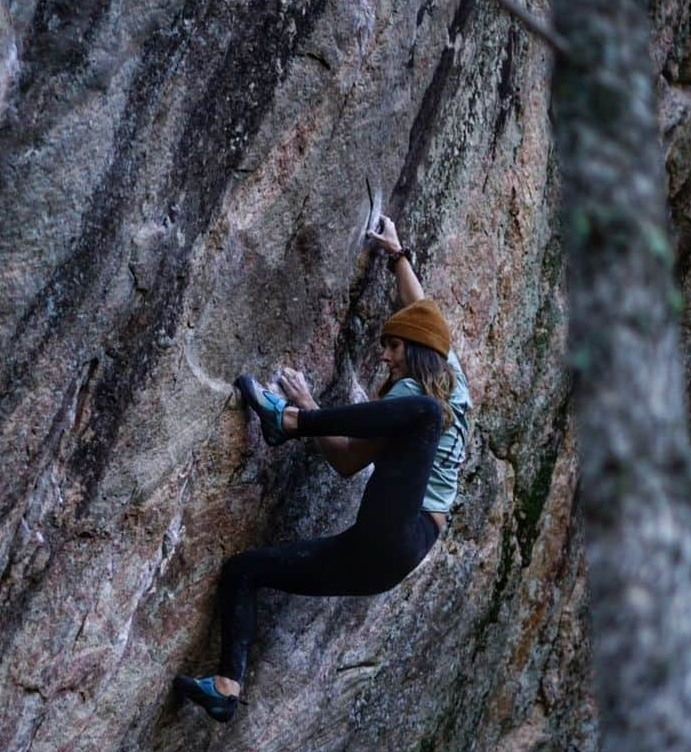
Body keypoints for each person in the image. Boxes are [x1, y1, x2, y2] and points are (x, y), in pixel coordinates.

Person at [173, 216, 470, 722]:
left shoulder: (418, 399)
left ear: (417, 352)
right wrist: (397, 255)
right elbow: (351, 461)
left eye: (393, 347)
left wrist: (302, 414)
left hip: (408, 531)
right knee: (243, 571)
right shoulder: (448, 380)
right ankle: (227, 685)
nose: (385, 356)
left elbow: (421, 320)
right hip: (380, 559)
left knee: (424, 415)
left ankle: (285, 420)